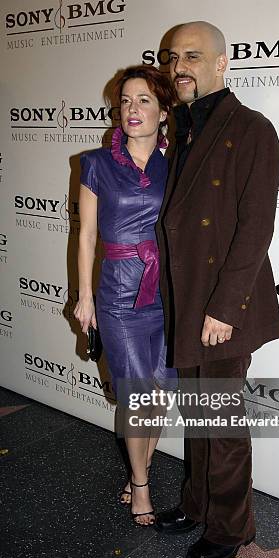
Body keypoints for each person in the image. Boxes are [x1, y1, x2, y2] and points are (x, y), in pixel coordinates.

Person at [155, 22, 279, 558]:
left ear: (221, 64)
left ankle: (232, 527)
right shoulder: (180, 130)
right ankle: (197, 503)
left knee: (223, 425)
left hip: (222, 308)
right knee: (200, 415)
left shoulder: (252, 128)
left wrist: (225, 309)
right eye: (171, 58)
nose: (179, 67)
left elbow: (255, 228)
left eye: (192, 56)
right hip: (187, 299)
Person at [73, 65, 177, 526]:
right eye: (126, 101)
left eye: (144, 100)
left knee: (159, 392)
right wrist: (85, 297)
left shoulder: (176, 166)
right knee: (137, 395)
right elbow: (87, 237)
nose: (132, 110)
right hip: (118, 294)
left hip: (168, 294)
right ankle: (140, 484)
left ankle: (142, 465)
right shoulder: (95, 164)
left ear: (164, 112)